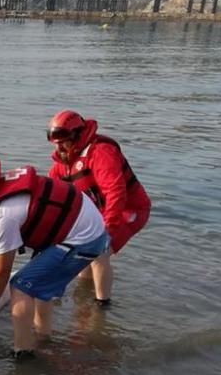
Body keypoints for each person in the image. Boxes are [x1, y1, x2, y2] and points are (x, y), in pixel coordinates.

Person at [0, 158, 108, 359]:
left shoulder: (4, 216)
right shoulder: (2, 190)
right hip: (82, 226)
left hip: (84, 239)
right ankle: (43, 337)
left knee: (20, 286)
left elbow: (1, 273)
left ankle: (23, 352)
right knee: (38, 285)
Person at [46, 110, 151, 307]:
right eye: (55, 143)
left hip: (129, 210)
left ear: (77, 134)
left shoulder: (101, 152)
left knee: (97, 253)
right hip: (99, 212)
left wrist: (107, 231)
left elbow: (116, 192)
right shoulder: (63, 163)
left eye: (63, 141)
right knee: (81, 257)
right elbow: (51, 192)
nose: (59, 146)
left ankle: (102, 307)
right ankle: (82, 297)